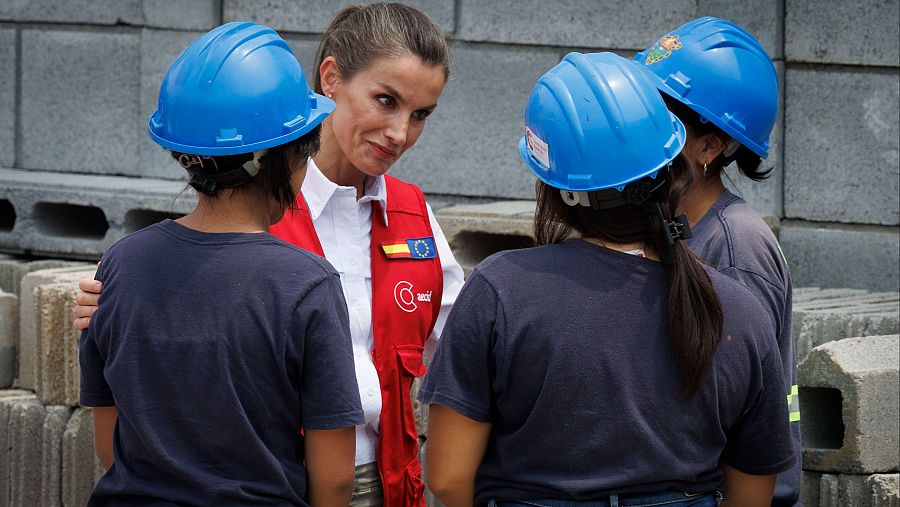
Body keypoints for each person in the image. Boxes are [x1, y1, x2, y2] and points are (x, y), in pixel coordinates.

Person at [74, 4, 464, 506]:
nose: (400, 133)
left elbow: (465, 353)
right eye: (385, 100)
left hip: (386, 483)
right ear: (330, 79)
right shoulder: (250, 210)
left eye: (421, 114)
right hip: (283, 483)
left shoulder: (413, 215)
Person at [419, 52, 795, 507]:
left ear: (557, 188)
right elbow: (753, 492)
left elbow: (448, 478)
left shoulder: (500, 290)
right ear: (671, 169)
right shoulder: (738, 308)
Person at [634, 17, 800, 506]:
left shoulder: (735, 247)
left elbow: (738, 404)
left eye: (663, 119)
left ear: (710, 146)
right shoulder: (668, 224)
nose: (641, 128)